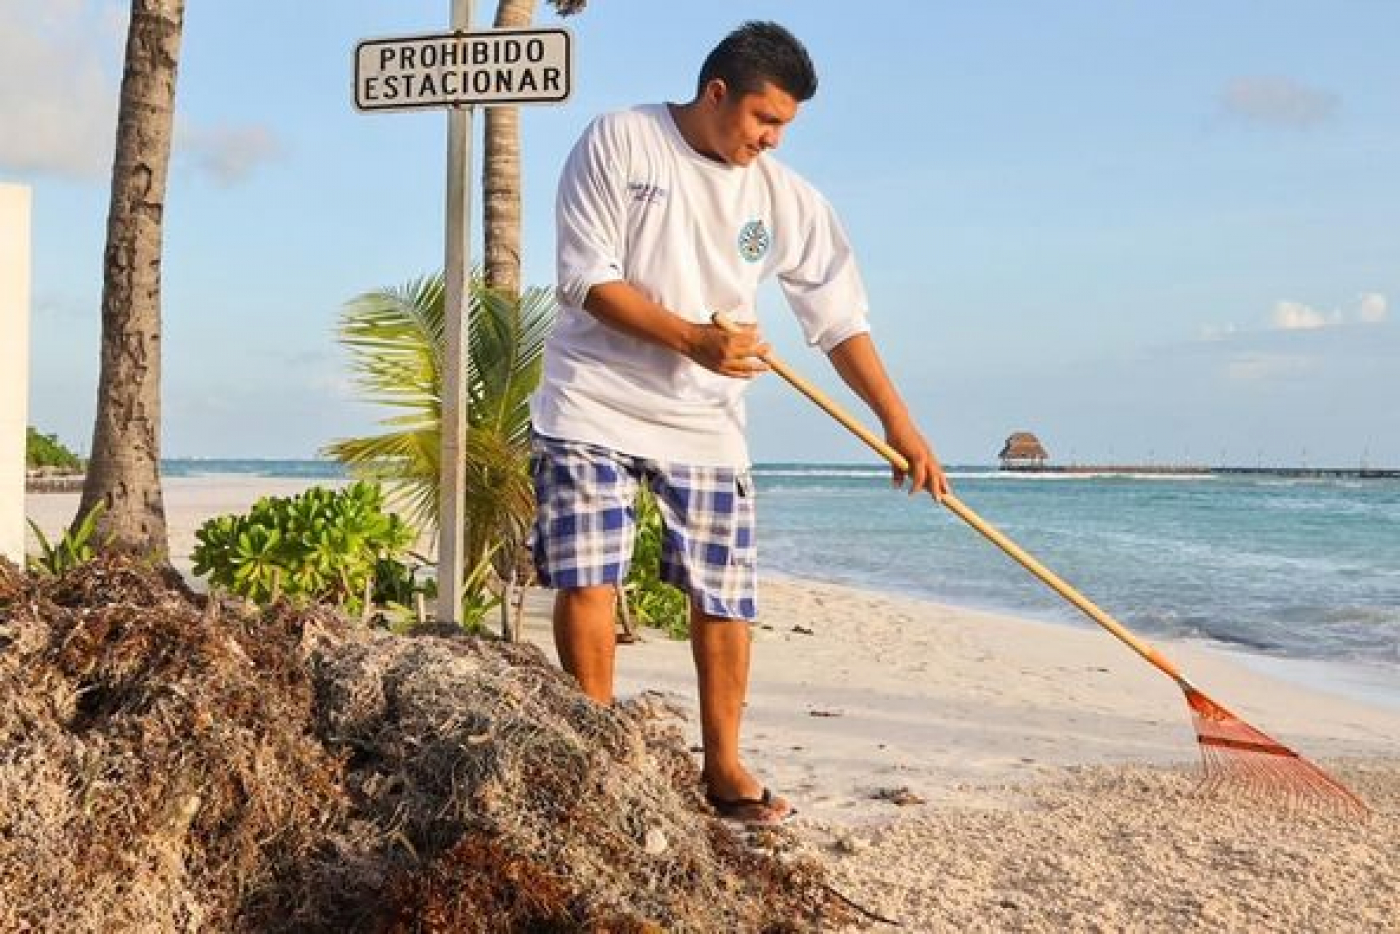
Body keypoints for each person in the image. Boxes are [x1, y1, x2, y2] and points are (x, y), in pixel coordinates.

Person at [529, 20, 949, 824]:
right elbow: (585, 281)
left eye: (785, 125)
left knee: (726, 595)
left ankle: (721, 767)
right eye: (764, 118)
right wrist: (694, 339)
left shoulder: (781, 195)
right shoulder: (622, 141)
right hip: (593, 400)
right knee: (590, 575)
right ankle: (591, 759)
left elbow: (837, 316)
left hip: (705, 421)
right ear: (716, 93)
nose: (772, 139)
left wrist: (899, 422)